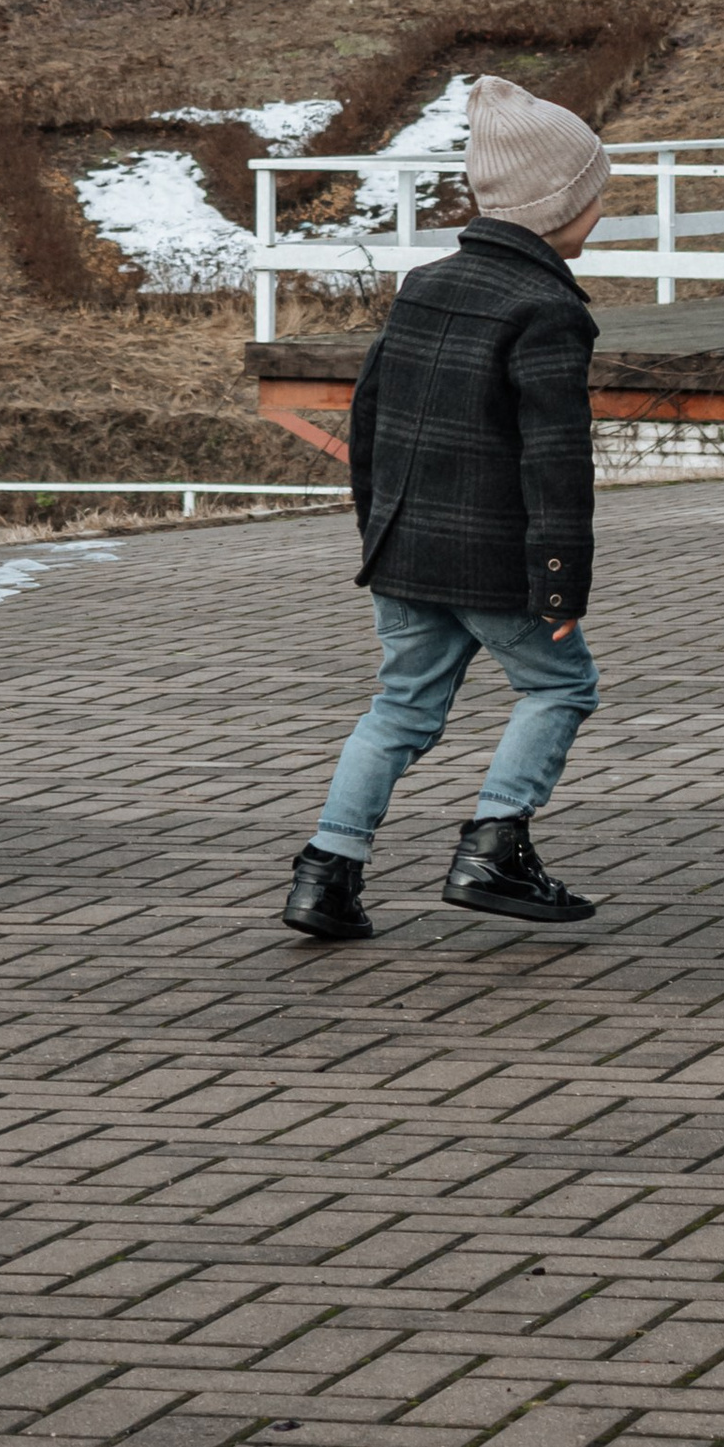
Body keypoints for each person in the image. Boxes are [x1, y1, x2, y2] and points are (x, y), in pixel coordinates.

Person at [282, 76, 607, 941]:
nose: (600, 209)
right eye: (593, 194)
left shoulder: (426, 283)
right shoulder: (547, 309)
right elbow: (556, 460)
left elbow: (370, 417)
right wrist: (559, 586)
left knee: (399, 710)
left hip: (404, 552)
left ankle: (326, 873)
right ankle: (495, 845)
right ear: (558, 206)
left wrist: (374, 530)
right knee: (562, 685)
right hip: (492, 563)